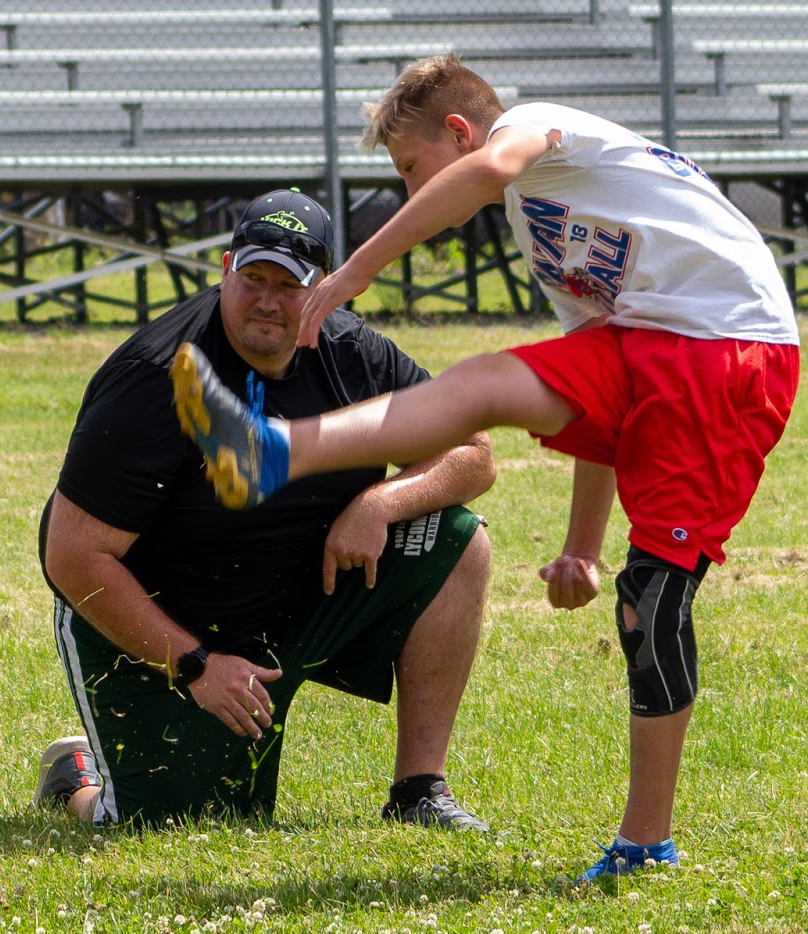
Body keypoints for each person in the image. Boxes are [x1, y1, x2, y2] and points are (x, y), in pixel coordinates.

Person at [170, 57, 800, 880]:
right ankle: (270, 449)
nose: (409, 189)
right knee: (488, 382)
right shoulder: (549, 234)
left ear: (460, 134)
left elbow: (489, 170)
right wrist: (581, 545)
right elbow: (591, 396)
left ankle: (646, 843)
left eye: (408, 167)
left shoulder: (529, 131)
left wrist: (359, 268)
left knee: (652, 601)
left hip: (730, 355)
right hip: (649, 350)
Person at [34, 188, 496, 831]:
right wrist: (194, 665)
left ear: (325, 289)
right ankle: (78, 777)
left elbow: (474, 454)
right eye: (253, 277)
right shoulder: (156, 376)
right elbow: (73, 554)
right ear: (225, 269)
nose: (268, 301)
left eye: (290, 283)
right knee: (177, 822)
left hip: (302, 591)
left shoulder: (352, 352)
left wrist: (380, 502)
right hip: (169, 615)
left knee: (454, 540)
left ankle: (420, 789)